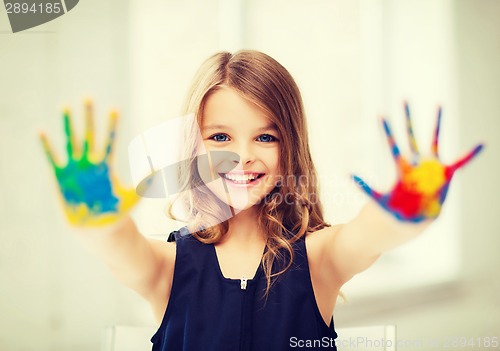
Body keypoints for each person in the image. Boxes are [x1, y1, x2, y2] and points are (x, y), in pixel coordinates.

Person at [39, 50, 483, 351]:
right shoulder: (166, 267)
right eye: (220, 137)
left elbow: (371, 233)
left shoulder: (319, 259)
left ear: (290, 146)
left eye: (265, 136)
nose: (244, 155)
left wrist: (406, 208)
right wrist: (99, 217)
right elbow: (117, 247)